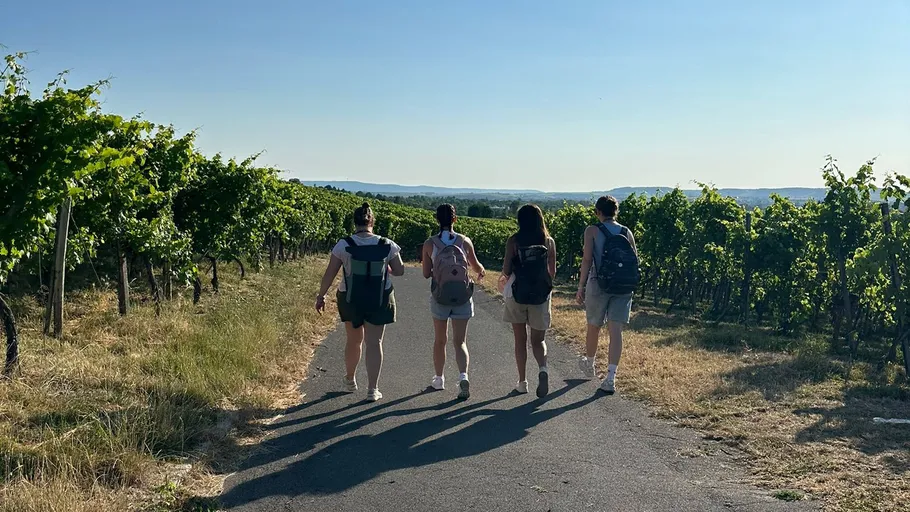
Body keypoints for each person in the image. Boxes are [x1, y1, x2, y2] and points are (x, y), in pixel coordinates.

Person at [316, 202, 405, 402]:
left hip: (350, 299)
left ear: (354, 222)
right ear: (372, 221)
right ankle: (373, 389)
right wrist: (387, 269)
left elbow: (330, 273)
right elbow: (399, 271)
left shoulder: (343, 245)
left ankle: (350, 379)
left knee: (354, 340)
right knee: (374, 343)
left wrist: (321, 296)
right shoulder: (387, 244)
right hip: (380, 298)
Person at [575, 195, 638, 394]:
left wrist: (581, 286)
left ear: (598, 212)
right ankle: (611, 377)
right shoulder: (626, 232)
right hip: (623, 287)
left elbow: (587, 260)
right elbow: (634, 261)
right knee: (615, 330)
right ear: (615, 211)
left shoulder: (592, 231)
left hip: (599, 284)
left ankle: (590, 363)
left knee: (594, 326)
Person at [422, 204, 486, 399]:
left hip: (440, 296)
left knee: (440, 340)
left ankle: (439, 378)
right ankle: (463, 376)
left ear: (436, 219)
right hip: (462, 297)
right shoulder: (464, 241)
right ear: (455, 219)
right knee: (460, 342)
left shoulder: (429, 243)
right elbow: (475, 266)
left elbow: (426, 273)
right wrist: (481, 271)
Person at [501, 204, 556, 398]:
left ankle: (522, 382)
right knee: (538, 340)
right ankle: (542, 369)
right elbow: (552, 272)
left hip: (517, 293)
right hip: (540, 295)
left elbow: (507, 270)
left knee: (520, 339)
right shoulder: (548, 241)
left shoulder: (514, 241)